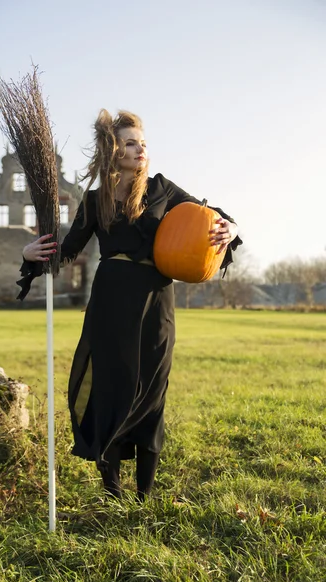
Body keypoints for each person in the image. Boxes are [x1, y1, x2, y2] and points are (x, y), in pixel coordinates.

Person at [18, 109, 242, 501]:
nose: (141, 150)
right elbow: (66, 253)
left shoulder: (162, 189)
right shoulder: (94, 200)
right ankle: (113, 491)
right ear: (113, 150)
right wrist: (30, 252)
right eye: (131, 143)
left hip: (157, 297)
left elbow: (211, 215)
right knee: (111, 387)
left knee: (153, 389)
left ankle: (144, 494)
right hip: (110, 301)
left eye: (143, 143)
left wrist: (231, 227)